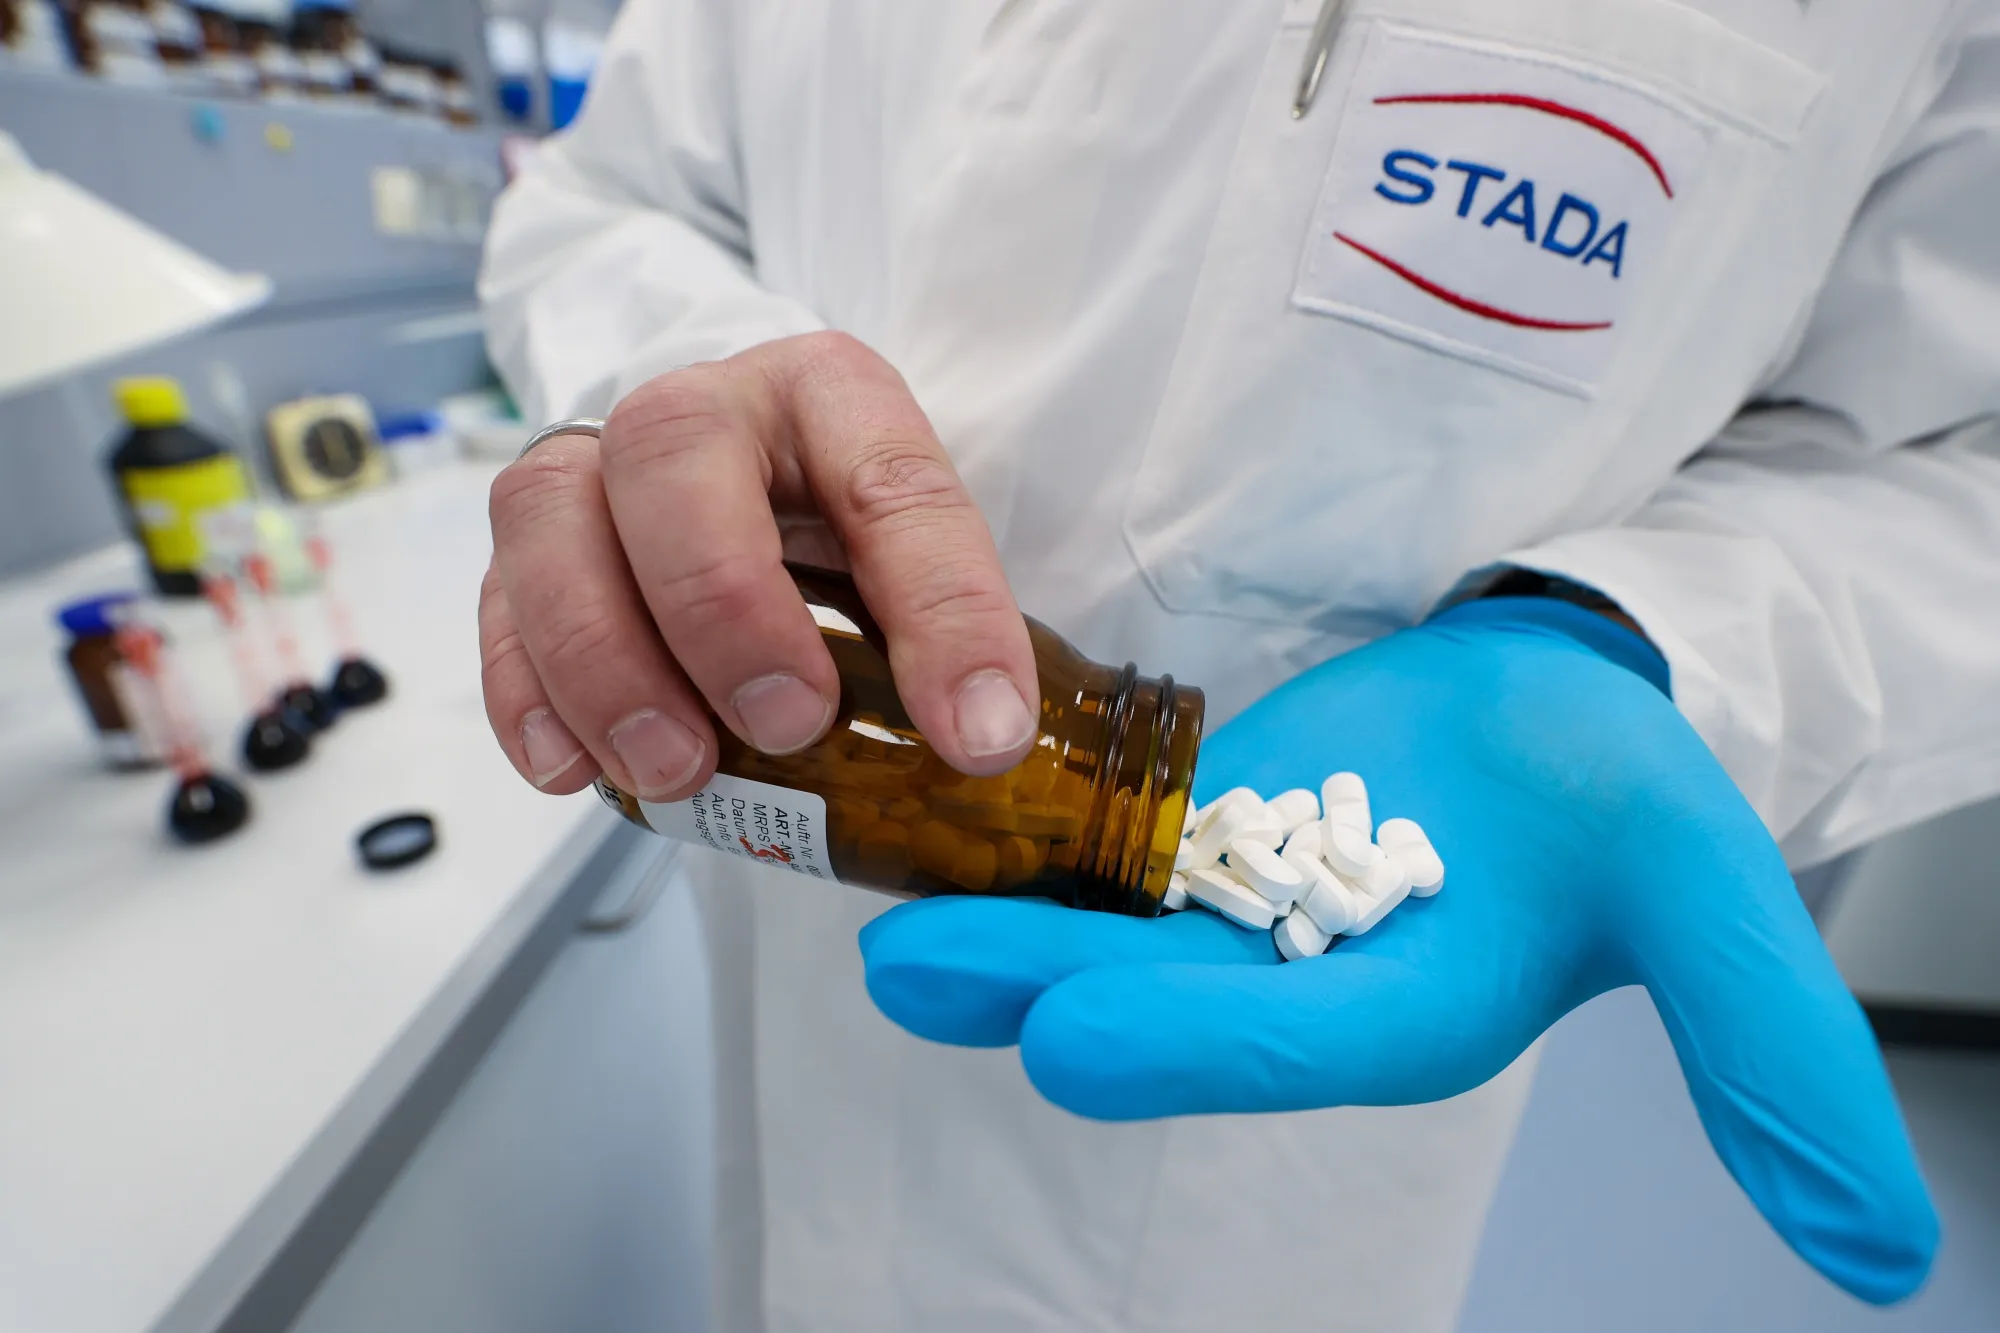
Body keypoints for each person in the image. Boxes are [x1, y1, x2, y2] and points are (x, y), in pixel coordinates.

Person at [477, 2, 2000, 1328]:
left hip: (1267, 1164)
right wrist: (667, 406)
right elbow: (603, 203)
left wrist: (1616, 633)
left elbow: (1968, 449)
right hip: (782, 904)